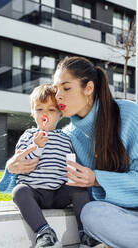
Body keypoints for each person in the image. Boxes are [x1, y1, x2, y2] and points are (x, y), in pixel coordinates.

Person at [52, 56, 138, 248]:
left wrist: (96, 178)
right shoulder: (67, 135)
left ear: (88, 88)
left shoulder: (129, 114)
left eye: (66, 88)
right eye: (56, 89)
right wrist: (16, 168)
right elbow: (43, 186)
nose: (58, 95)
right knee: (91, 214)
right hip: (122, 218)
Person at [0, 84, 90, 248]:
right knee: (19, 191)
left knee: (79, 188)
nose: (45, 114)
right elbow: (24, 162)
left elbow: (72, 163)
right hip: (35, 192)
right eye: (40, 109)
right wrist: (37, 146)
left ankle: (86, 234)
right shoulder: (29, 135)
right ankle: (45, 232)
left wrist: (74, 171)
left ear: (60, 114)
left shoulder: (66, 139)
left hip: (58, 193)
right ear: (33, 113)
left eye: (51, 110)